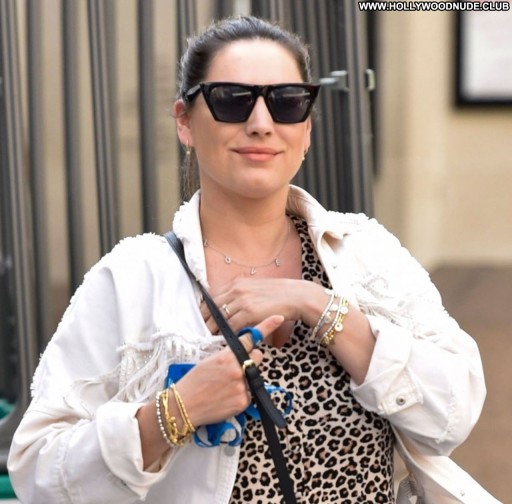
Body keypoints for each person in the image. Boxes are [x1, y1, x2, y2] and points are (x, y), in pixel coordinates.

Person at [7, 15, 496, 504]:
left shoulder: (366, 253)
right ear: (184, 121)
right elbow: (38, 473)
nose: (261, 124)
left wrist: (321, 307)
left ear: (306, 128)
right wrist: (173, 413)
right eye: (231, 99)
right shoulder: (132, 278)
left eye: (287, 102)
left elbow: (452, 416)